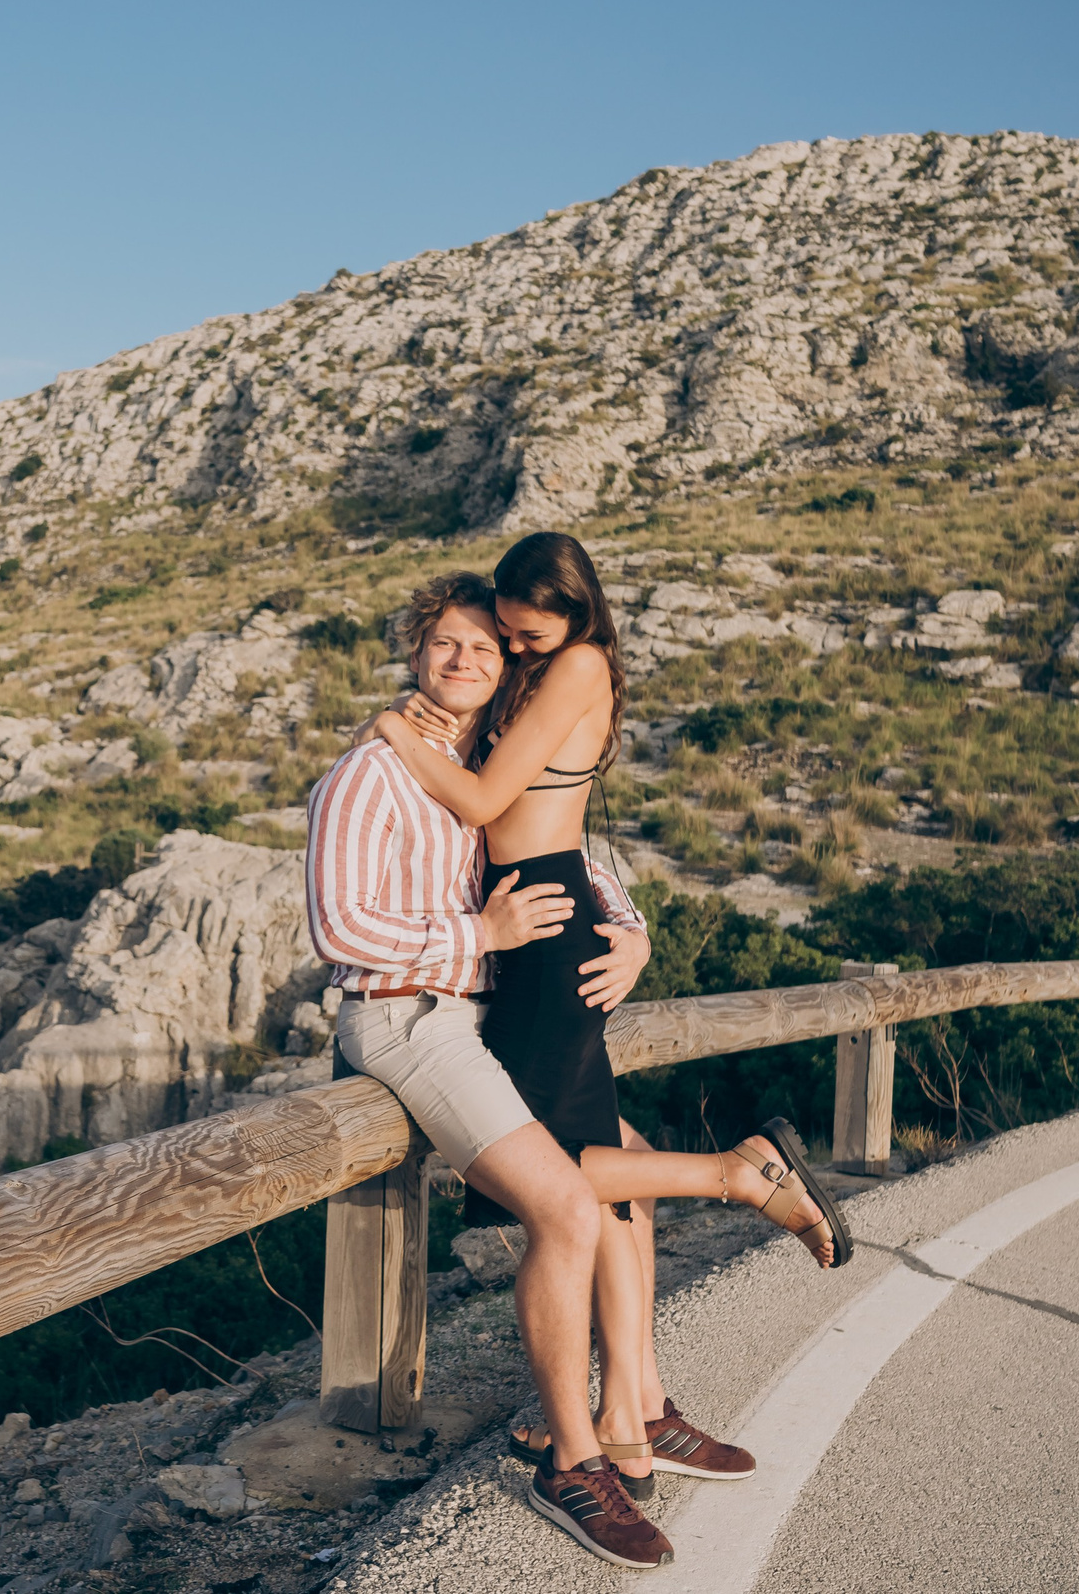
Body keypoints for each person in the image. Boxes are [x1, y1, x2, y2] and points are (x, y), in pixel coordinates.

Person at [368, 531, 851, 1494]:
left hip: (540, 926)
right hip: (550, 911)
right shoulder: (561, 662)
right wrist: (623, 920)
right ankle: (630, 1416)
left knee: (547, 1164)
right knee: (591, 1166)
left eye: (524, 626)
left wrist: (392, 734)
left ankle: (742, 1172)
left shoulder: (578, 661)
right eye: (502, 629)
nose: (515, 641)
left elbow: (481, 800)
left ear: (572, 607)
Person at [305, 572, 674, 1570]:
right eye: (445, 647)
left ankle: (636, 1406)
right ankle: (573, 1460)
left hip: (480, 1013)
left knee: (618, 1157)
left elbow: (559, 853)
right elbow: (339, 928)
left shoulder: (468, 761)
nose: (466, 661)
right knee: (564, 1207)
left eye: (487, 647)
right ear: (415, 657)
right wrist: (479, 932)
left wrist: (631, 933)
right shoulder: (368, 774)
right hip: (410, 1018)